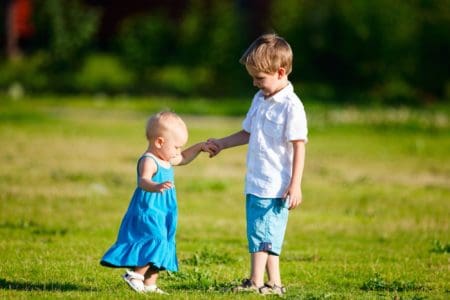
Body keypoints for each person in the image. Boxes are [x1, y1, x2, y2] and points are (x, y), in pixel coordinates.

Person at [205, 33, 308, 295]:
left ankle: (255, 281)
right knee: (264, 233)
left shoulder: (291, 106)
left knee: (261, 234)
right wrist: (221, 143)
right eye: (252, 77)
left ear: (280, 71)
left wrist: (295, 185)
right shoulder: (260, 100)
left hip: (275, 184)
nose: (254, 83)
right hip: (255, 180)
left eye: (259, 78)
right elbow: (247, 132)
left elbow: (299, 145)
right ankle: (273, 284)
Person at [100, 111, 210, 294]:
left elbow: (184, 158)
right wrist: (155, 185)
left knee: (164, 242)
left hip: (165, 210)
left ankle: (150, 284)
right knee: (155, 239)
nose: (178, 151)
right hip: (148, 209)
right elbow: (143, 181)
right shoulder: (149, 160)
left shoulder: (166, 158)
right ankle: (135, 275)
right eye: (176, 147)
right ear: (159, 142)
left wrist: (199, 147)